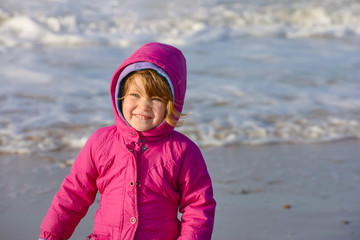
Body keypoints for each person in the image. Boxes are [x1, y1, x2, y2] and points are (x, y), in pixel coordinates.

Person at [39, 42, 216, 240]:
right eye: (135, 95)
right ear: (120, 96)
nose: (144, 106)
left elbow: (198, 205)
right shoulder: (101, 142)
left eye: (156, 98)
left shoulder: (182, 151)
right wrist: (51, 234)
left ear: (172, 103)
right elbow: (74, 193)